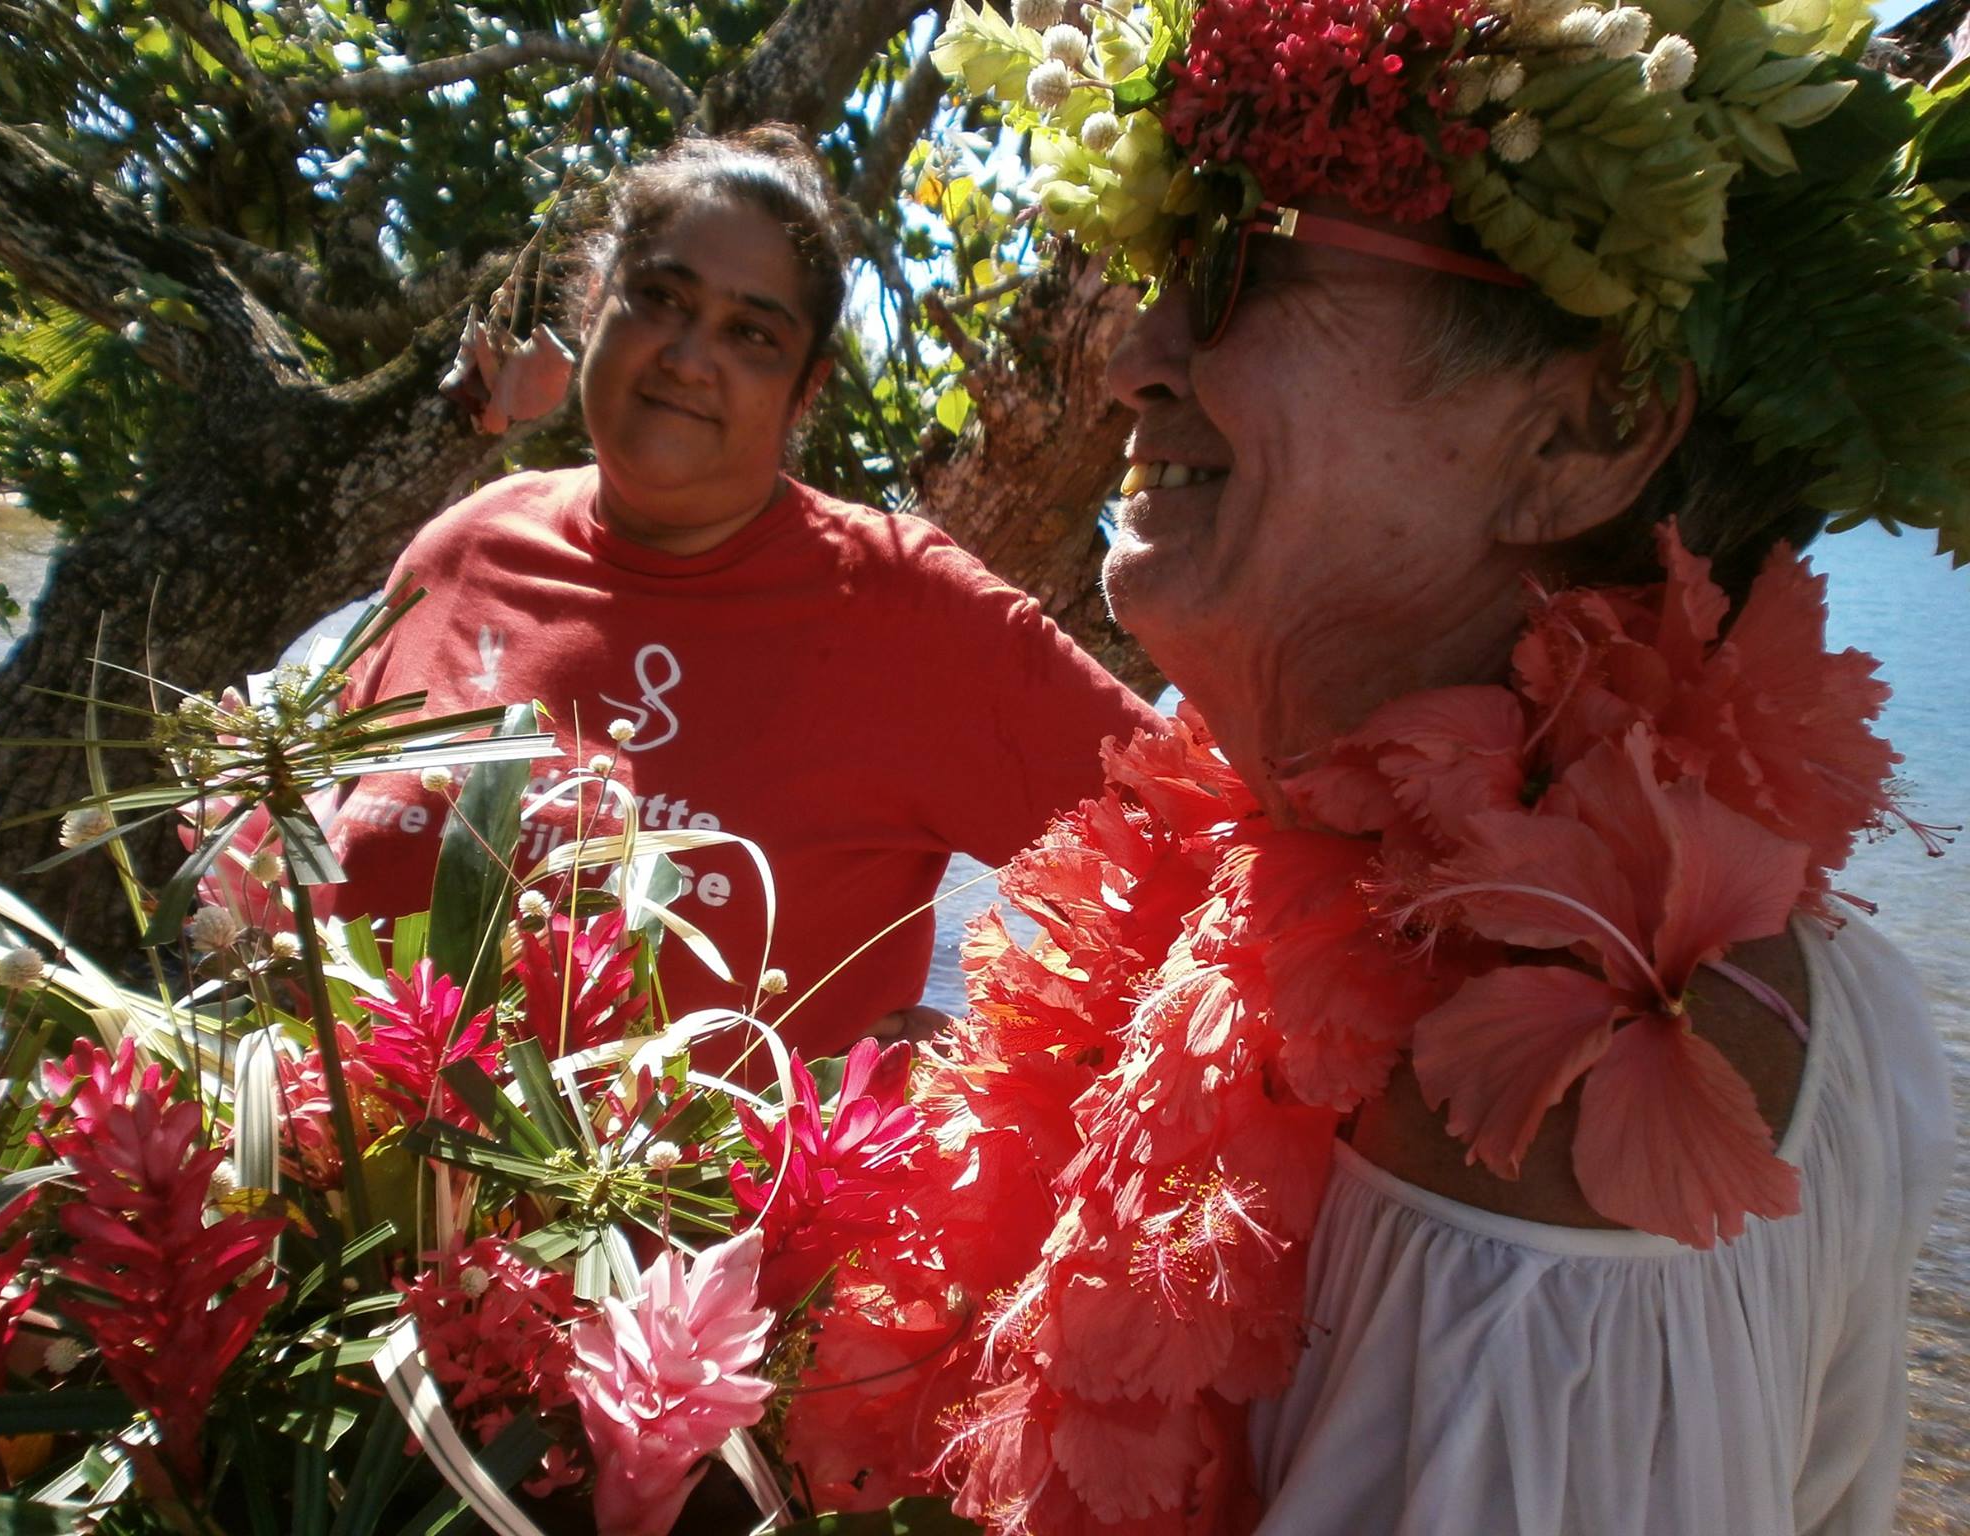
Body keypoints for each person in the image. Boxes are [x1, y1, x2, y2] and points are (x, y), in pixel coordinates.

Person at [783, 4, 1963, 1532]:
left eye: (1240, 258)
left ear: (1584, 434)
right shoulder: (1277, 836)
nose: (1130, 358)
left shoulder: (1555, 1117)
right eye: (1155, 270)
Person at [320, 126, 1158, 1060]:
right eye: (660, 298)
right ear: (595, 306)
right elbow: (305, 852)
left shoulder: (901, 608)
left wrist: (1000, 1081)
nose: (688, 356)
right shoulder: (463, 549)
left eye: (753, 334)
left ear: (806, 391)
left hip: (722, 1210)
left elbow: (1196, 858)